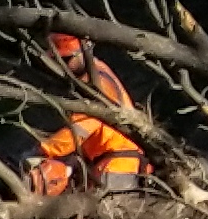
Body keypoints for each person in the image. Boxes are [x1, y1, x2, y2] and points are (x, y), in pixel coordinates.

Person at [26, 31, 147, 203]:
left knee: (109, 217)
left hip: (116, 163)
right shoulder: (98, 73)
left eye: (65, 60)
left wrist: (44, 149)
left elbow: (83, 127)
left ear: (79, 54)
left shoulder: (95, 83)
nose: (62, 66)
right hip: (112, 159)